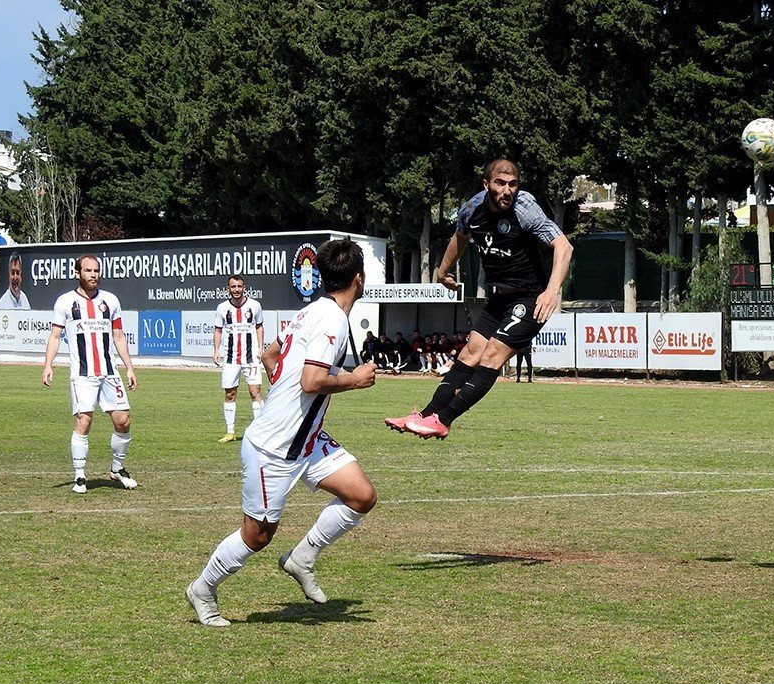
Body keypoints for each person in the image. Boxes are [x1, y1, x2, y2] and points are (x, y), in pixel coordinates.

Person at [185, 237, 380, 627]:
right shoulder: (331, 321)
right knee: (257, 536)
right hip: (274, 448)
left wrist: (287, 398)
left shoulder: (310, 312)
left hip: (305, 442)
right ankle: (202, 589)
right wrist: (355, 380)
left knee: (361, 496)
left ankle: (302, 558)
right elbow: (311, 381)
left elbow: (270, 356)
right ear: (359, 279)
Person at [384, 158, 573, 439]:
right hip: (501, 297)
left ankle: (444, 420)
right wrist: (442, 271)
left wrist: (551, 290)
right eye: (500, 183)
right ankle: (424, 416)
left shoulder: (525, 208)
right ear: (487, 185)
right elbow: (459, 237)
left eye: (512, 184)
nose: (507, 190)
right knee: (469, 352)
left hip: (531, 297)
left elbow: (563, 246)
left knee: (493, 355)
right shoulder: (472, 209)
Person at [41, 254, 139, 494]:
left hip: (109, 372)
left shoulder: (110, 301)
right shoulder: (65, 302)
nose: (93, 275)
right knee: (84, 422)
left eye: (96, 270)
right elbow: (55, 336)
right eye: (88, 270)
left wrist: (129, 367)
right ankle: (80, 476)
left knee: (123, 421)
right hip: (83, 374)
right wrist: (48, 365)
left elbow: (118, 335)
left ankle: (117, 469)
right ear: (78, 273)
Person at [213, 275, 265, 443]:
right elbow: (218, 330)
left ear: (244, 287)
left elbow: (259, 326)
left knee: (255, 392)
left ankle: (259, 432)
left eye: (239, 286)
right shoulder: (222, 308)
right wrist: (216, 350)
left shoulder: (255, 306)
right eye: (233, 286)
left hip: (251, 358)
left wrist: (260, 347)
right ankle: (230, 432)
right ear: (228, 288)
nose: (236, 289)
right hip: (231, 358)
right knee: (230, 394)